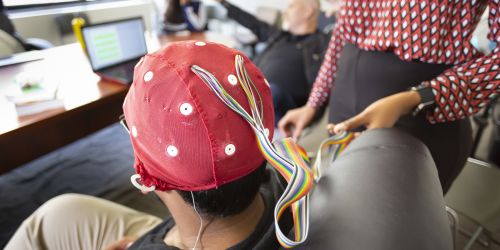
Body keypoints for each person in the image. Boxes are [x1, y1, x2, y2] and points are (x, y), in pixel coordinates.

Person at [5, 41, 303, 250]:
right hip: (212, 229)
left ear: (148, 179)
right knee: (60, 211)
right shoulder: (290, 187)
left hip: (170, 235)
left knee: (51, 218)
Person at [279, 0, 500, 193]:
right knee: (334, 216)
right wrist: (314, 102)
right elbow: (343, 34)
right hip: (344, 106)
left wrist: (418, 97)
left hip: (417, 116)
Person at [217, 0, 329, 121]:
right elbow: (254, 23)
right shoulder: (280, 36)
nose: (285, 12)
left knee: (273, 91)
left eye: (291, 6)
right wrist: (223, 3)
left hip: (283, 103)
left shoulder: (322, 43)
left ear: (307, 12)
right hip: (250, 90)